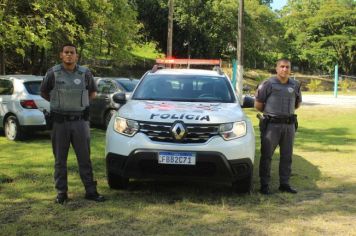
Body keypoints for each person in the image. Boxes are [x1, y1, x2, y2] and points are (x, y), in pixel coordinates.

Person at [40, 43, 105, 203]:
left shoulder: (85, 73)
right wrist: (58, 103)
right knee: (60, 160)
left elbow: (93, 93)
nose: (69, 55)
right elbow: (43, 91)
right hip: (59, 122)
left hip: (80, 122)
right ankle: (61, 193)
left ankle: (90, 191)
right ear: (61, 55)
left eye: (72, 52)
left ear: (77, 56)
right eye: (66, 52)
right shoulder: (53, 73)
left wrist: (79, 104)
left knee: (85, 158)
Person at [254, 58, 302, 195]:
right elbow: (258, 105)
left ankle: (285, 184)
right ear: (276, 68)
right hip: (271, 126)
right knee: (266, 156)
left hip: (289, 125)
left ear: (290, 69)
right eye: (282, 66)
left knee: (287, 156)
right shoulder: (267, 84)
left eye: (287, 67)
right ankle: (264, 185)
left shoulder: (295, 85)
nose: (285, 69)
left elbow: (297, 104)